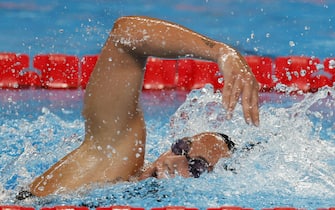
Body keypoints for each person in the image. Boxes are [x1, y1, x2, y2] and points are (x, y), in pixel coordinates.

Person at [26, 16, 259, 197]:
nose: (175, 161)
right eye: (181, 147)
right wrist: (221, 51)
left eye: (196, 167)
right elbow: (124, 35)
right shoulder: (114, 162)